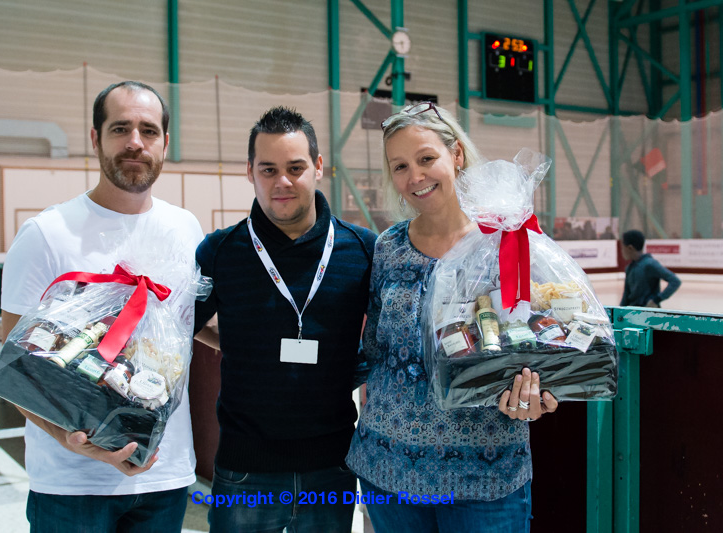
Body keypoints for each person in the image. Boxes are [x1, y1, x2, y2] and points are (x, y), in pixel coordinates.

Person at [345, 102, 559, 532]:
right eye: (400, 166)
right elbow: (372, 351)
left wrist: (542, 391)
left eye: (426, 158)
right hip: (389, 471)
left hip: (485, 478)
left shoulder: (507, 240)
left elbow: (546, 341)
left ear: (456, 154)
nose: (415, 176)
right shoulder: (387, 247)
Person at [1, 81, 203, 532]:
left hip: (165, 477)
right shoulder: (47, 234)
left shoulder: (186, 230)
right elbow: (12, 368)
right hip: (71, 486)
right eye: (120, 128)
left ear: (165, 143)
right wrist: (68, 439)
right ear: (95, 138)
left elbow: (196, 329)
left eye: (148, 131)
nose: (135, 142)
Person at [193, 106, 377, 533]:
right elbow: (183, 323)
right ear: (250, 172)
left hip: (331, 467)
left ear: (318, 167)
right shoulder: (220, 252)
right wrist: (232, 343)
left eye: (295, 168)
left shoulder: (361, 250)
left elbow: (388, 337)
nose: (283, 182)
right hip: (245, 470)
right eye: (268, 169)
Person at [620, 229, 681, 307]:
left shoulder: (650, 264)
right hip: (634, 311)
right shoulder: (629, 268)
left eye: (622, 247)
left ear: (630, 248)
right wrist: (619, 312)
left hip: (649, 312)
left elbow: (675, 281)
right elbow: (626, 295)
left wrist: (656, 300)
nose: (622, 251)